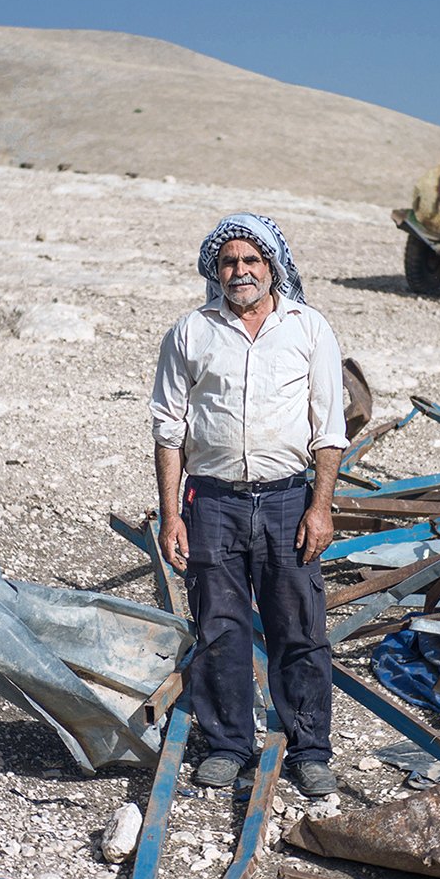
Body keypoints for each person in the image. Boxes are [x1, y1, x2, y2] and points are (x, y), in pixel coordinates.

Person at [151, 213, 347, 797]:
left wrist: (321, 506)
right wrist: (171, 514)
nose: (240, 272)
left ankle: (310, 749)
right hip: (212, 502)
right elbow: (169, 431)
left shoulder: (308, 329)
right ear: (217, 271)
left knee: (301, 628)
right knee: (219, 628)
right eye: (229, 263)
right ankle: (228, 745)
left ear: (273, 267)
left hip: (289, 498)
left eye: (251, 261)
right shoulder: (191, 332)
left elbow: (329, 429)